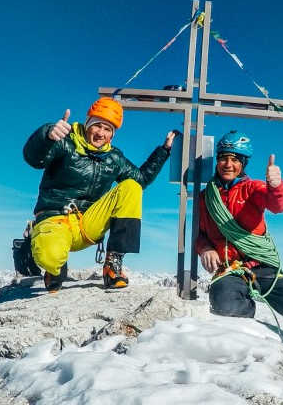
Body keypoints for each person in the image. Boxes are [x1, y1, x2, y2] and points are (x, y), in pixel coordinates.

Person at [196, 131, 283, 352]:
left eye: (235, 159)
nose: (228, 164)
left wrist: (276, 186)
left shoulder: (252, 188)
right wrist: (205, 248)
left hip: (263, 267)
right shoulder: (206, 198)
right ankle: (252, 343)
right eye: (224, 157)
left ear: (243, 163)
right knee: (224, 305)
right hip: (230, 270)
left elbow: (277, 205)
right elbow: (200, 233)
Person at [23, 98, 175, 290]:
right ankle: (54, 265)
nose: (101, 133)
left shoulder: (114, 157)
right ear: (88, 124)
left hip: (88, 223)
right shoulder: (65, 141)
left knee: (132, 187)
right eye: (98, 126)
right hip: (55, 220)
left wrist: (164, 150)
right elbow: (34, 159)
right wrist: (47, 135)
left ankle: (113, 263)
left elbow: (141, 179)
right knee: (51, 257)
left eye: (108, 129)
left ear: (112, 134)